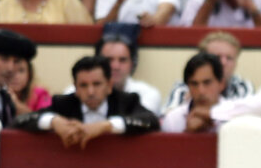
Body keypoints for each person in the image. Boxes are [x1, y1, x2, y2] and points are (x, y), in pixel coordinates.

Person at [14, 54, 158, 145]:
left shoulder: (127, 101)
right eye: (83, 85)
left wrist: (105, 126)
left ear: (109, 85)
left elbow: (151, 121)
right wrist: (54, 122)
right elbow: (19, 121)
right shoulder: (63, 104)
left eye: (97, 84)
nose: (90, 92)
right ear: (75, 88)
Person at [160, 50, 261, 133]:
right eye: (194, 84)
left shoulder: (235, 114)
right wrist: (188, 133)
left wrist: (212, 114)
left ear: (221, 84)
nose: (201, 91)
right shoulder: (173, 119)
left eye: (207, 83)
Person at [162, 30, 254, 111]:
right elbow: (167, 119)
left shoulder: (243, 87)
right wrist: (187, 105)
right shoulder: (183, 87)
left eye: (229, 58)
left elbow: (250, 119)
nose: (223, 63)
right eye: (217, 57)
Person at [93, 28, 162, 114]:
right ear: (97, 63)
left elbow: (141, 120)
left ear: (132, 65)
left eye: (122, 60)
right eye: (109, 60)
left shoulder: (148, 94)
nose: (115, 66)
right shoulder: (77, 91)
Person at [0, 28, 40, 123]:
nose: (10, 68)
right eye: (4, 59)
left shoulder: (6, 95)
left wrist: (53, 121)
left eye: (16, 61)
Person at [6, 41, 50, 116]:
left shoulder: (40, 93)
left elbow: (41, 119)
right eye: (11, 72)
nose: (16, 76)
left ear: (29, 74)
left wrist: (14, 102)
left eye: (21, 71)